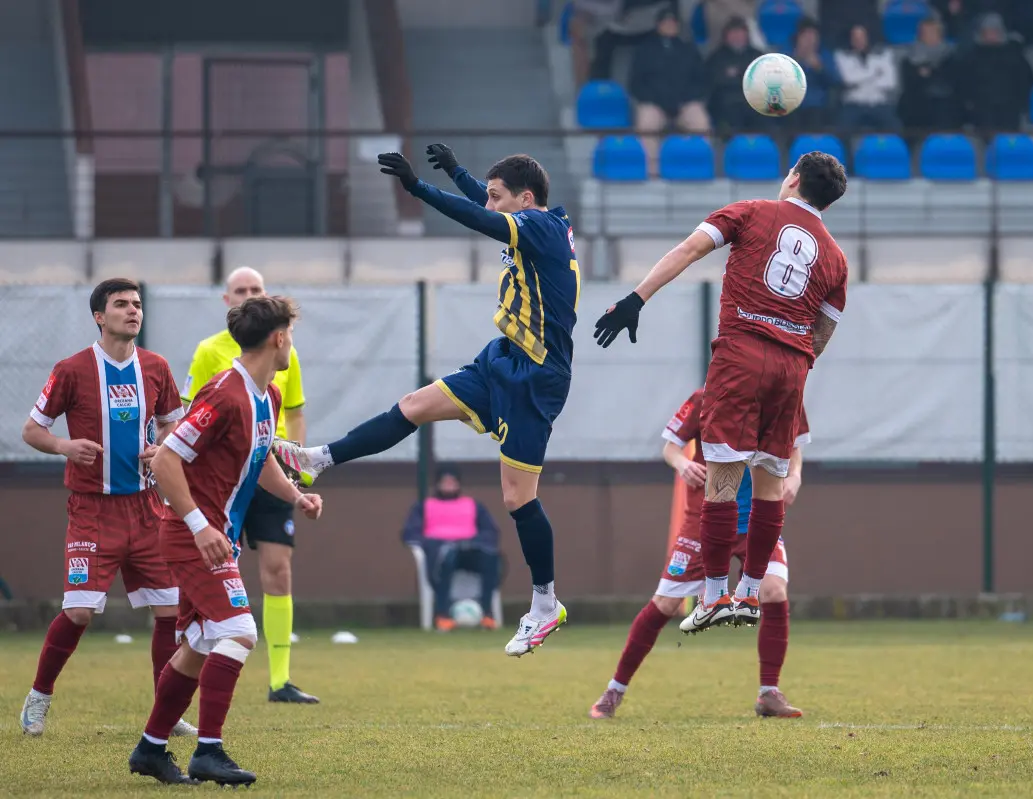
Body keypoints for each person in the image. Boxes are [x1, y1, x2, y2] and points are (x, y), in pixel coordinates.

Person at [274, 144, 579, 658]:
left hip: (536, 375)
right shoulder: (536, 222)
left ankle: (546, 604)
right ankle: (317, 459)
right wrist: (458, 172)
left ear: (526, 199)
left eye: (497, 195)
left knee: (517, 499)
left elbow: (480, 218)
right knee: (415, 405)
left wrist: (418, 188)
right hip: (503, 357)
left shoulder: (540, 227)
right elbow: (486, 209)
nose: (489, 202)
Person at [594, 151, 848, 635]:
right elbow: (823, 332)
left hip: (740, 356)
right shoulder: (836, 257)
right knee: (770, 488)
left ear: (793, 179)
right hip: (792, 368)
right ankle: (749, 593)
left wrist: (635, 299)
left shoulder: (751, 211)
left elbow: (689, 250)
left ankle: (713, 597)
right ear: (829, 204)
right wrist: (794, 363)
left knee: (722, 480)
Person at [128, 296, 323, 785]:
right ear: (279, 337)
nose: (292, 345)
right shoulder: (224, 393)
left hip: (216, 536)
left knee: (197, 644)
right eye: (291, 336)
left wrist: (296, 496)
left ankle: (151, 749)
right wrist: (200, 526)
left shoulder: (267, 395)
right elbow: (166, 460)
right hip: (191, 536)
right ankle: (209, 751)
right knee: (239, 631)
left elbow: (262, 458)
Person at [19, 278, 193, 738]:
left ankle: (167, 713)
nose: (133, 310)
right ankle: (39, 696)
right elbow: (32, 430)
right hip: (92, 511)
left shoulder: (156, 367)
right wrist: (64, 445)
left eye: (137, 304)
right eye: (121, 304)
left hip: (147, 507)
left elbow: (173, 426)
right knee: (78, 612)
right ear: (99, 316)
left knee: (170, 610)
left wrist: (161, 448)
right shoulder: (72, 369)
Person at [589, 388, 809, 720]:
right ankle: (613, 690)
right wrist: (682, 464)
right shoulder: (709, 396)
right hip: (706, 518)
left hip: (757, 519)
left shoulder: (784, 390)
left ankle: (769, 692)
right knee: (665, 604)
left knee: (774, 591)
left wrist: (795, 475)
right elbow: (670, 447)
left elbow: (794, 444)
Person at [182, 266, 316, 705]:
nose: (248, 294)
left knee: (279, 569)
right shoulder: (211, 355)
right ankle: (196, 674)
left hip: (268, 468)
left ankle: (280, 680)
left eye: (255, 288)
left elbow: (294, 411)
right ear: (227, 300)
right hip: (221, 481)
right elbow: (187, 421)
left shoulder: (282, 360)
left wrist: (297, 471)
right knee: (216, 572)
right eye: (240, 289)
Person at [402, 464, 502, 631]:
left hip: (470, 551)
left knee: (491, 559)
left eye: (452, 482)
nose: (449, 485)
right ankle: (443, 615)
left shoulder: (474, 505)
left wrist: (473, 542)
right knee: (447, 558)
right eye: (445, 482)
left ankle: (487, 614)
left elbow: (490, 532)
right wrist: (435, 543)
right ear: (438, 484)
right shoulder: (424, 507)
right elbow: (411, 534)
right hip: (442, 553)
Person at [630, 7, 711, 175]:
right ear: (658, 25)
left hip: (684, 104)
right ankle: (652, 173)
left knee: (700, 122)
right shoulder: (645, 50)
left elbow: (701, 81)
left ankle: (700, 169)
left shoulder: (689, 50)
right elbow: (635, 84)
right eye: (665, 22)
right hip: (655, 104)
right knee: (646, 123)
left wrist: (684, 99)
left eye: (672, 22)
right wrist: (657, 100)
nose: (669, 25)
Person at [954, 13, 1033, 131]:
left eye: (995, 31)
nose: (991, 35)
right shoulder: (971, 57)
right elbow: (963, 85)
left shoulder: (1014, 55)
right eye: (988, 31)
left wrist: (1021, 105)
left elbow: (1026, 81)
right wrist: (970, 105)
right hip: (982, 111)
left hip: (1009, 110)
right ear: (981, 33)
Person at [898, 16, 960, 132]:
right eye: (924, 32)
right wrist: (930, 73)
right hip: (916, 101)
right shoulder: (909, 56)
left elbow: (950, 79)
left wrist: (928, 73)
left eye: (932, 32)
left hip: (944, 101)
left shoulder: (951, 56)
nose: (928, 35)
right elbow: (909, 80)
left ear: (940, 34)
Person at [834, 25, 900, 132]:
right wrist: (875, 73)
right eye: (855, 37)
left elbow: (890, 82)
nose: (858, 40)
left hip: (879, 103)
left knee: (895, 126)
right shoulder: (842, 55)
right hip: (854, 104)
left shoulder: (884, 54)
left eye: (861, 37)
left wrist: (859, 79)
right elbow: (848, 79)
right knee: (842, 129)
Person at [705, 17, 764, 136]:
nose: (737, 36)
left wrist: (736, 74)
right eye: (733, 32)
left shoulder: (757, 56)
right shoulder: (716, 57)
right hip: (725, 104)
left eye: (740, 32)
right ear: (726, 35)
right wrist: (743, 75)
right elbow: (715, 82)